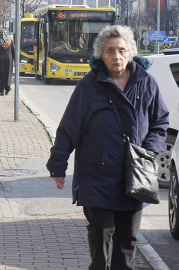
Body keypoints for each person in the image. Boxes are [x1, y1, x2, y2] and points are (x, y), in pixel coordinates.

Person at [46, 25, 169, 270]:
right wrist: (58, 165)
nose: (116, 56)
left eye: (122, 50)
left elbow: (160, 121)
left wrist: (150, 150)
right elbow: (69, 127)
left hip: (135, 175)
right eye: (110, 51)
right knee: (100, 237)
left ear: (131, 52)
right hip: (96, 175)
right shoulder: (89, 86)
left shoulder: (146, 82)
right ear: (101, 54)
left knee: (127, 243)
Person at [0, 29, 15, 95]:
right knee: (8, 74)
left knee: (1, 74)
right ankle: (7, 89)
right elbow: (13, 51)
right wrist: (15, 60)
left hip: (0, 60)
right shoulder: (10, 41)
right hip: (9, 59)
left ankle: (1, 90)